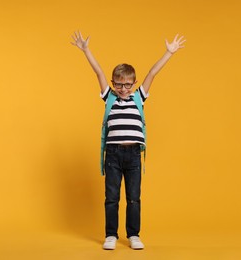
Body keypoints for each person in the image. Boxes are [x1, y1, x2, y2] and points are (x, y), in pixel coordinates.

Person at [71, 31, 186, 250]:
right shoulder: (109, 97)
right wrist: (86, 50)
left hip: (133, 155)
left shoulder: (138, 97)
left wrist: (168, 53)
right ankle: (111, 235)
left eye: (128, 85)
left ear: (133, 83)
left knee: (134, 197)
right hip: (113, 155)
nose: (123, 89)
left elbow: (153, 73)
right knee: (111, 197)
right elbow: (98, 73)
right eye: (119, 84)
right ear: (114, 83)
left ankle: (133, 234)